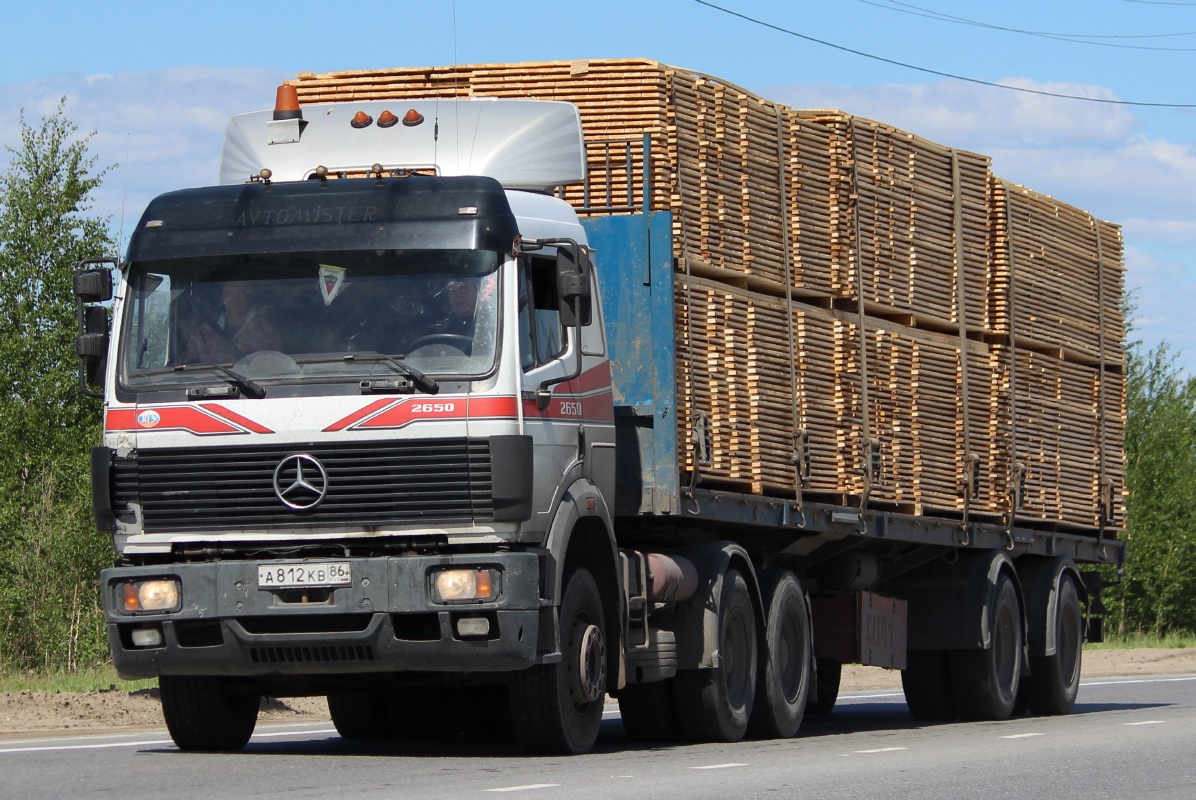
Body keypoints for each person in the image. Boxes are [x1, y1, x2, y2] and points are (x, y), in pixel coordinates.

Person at [184, 280, 281, 364]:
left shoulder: (266, 334)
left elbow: (272, 371)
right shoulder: (203, 332)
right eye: (229, 292)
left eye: (240, 292)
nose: (235, 299)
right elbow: (187, 366)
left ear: (250, 295)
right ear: (222, 296)